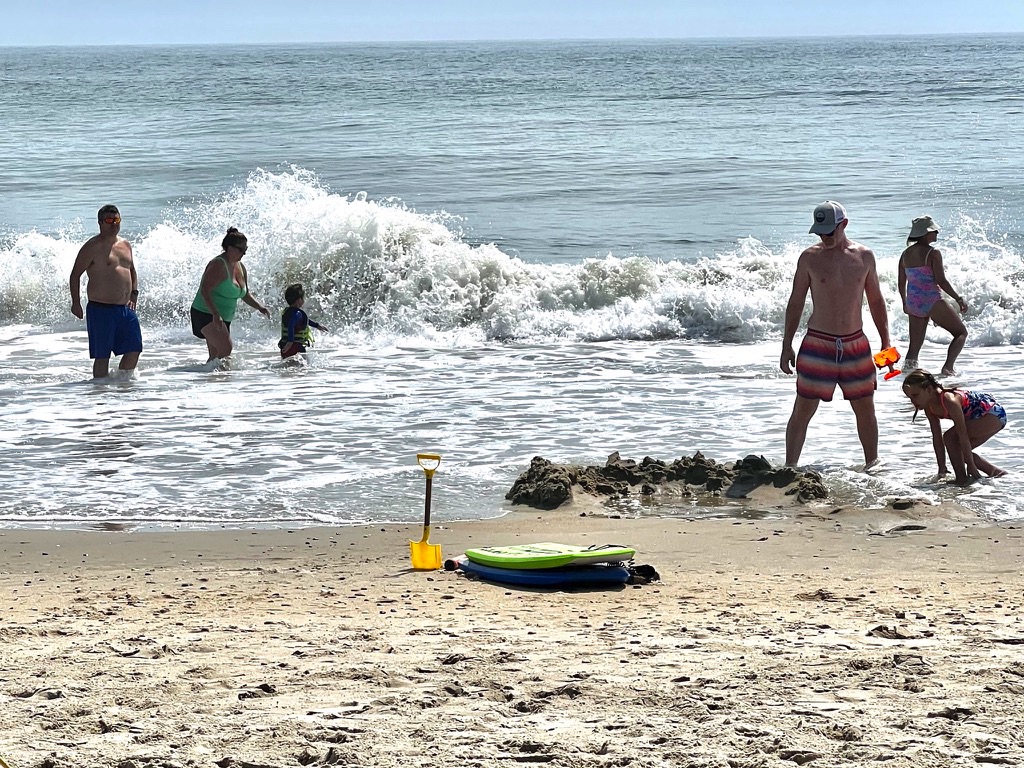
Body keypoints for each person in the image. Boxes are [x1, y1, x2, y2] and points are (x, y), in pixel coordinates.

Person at [780, 201, 891, 468]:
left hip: (855, 344)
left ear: (844, 224)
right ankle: (789, 468)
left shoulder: (864, 256)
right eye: (820, 232)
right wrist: (786, 345)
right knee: (802, 410)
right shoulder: (809, 258)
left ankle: (873, 467)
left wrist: (886, 342)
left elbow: (876, 300)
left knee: (866, 410)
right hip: (818, 344)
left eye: (829, 231)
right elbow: (796, 302)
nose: (824, 237)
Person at [69, 205, 143, 378]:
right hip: (101, 309)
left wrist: (134, 293)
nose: (114, 224)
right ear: (100, 223)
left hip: (125, 308)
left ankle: (123, 383)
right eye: (109, 220)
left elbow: (132, 270)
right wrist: (76, 303)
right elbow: (75, 275)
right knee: (102, 356)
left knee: (134, 349)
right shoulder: (92, 247)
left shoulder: (125, 245)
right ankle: (100, 390)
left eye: (117, 220)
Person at [901, 368, 1006, 484]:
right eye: (910, 397)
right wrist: (941, 468)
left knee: (950, 438)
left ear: (929, 389)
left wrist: (970, 465)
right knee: (958, 450)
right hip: (978, 417)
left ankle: (962, 479)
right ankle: (996, 473)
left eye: (915, 395)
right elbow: (936, 437)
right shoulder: (929, 406)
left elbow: (962, 434)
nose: (912, 401)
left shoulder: (949, 400)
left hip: (993, 414)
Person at [897, 215, 968, 376]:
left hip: (914, 302)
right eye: (934, 231)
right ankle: (948, 368)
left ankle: (908, 375)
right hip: (932, 300)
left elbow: (901, 283)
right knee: (961, 333)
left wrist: (905, 303)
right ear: (925, 233)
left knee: (914, 347)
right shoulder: (933, 253)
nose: (937, 233)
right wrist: (958, 298)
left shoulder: (905, 254)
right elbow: (941, 281)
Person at [190, 227, 270, 362]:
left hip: (223, 318)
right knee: (226, 349)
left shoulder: (241, 266)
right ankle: (219, 374)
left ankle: (209, 375)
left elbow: (245, 294)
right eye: (241, 249)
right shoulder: (218, 264)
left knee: (216, 356)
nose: (244, 253)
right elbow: (204, 290)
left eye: (246, 249)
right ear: (230, 248)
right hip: (206, 314)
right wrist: (215, 314)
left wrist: (260, 307)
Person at [279, 283, 329, 359]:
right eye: (303, 298)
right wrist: (290, 342)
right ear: (299, 300)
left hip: (284, 346)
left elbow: (306, 321)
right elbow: (291, 324)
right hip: (295, 347)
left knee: (288, 364)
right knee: (303, 364)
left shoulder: (286, 312)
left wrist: (317, 326)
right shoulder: (298, 314)